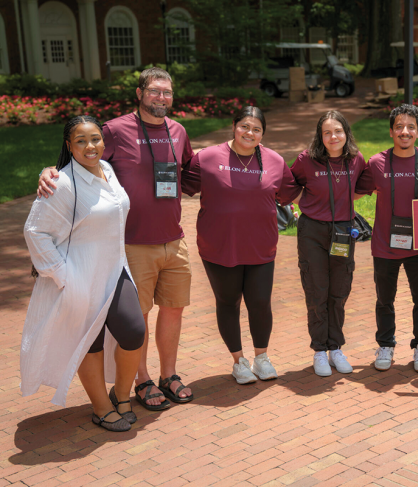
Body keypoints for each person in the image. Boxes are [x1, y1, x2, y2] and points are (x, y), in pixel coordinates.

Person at [38, 67, 195, 410]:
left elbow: (191, 173)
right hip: (131, 244)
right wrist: (48, 171)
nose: (161, 98)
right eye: (154, 91)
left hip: (174, 240)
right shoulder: (115, 129)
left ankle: (169, 375)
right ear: (139, 93)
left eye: (167, 92)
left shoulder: (178, 131)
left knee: (173, 310)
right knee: (136, 320)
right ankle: (143, 380)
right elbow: (82, 163)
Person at [22, 116, 145, 432]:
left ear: (104, 142)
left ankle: (122, 393)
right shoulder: (61, 183)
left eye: (95, 139)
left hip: (115, 269)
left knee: (133, 332)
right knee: (91, 342)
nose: (90, 146)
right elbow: (35, 231)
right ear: (69, 145)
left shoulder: (108, 170)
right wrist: (63, 276)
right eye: (81, 140)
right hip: (80, 276)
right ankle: (102, 407)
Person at [181, 107, 301, 384]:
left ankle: (261, 357)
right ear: (234, 126)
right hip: (218, 245)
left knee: (260, 302)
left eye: (256, 129)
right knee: (228, 302)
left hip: (261, 245)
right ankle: (239, 361)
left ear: (263, 134)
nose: (250, 133)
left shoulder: (274, 160)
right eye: (245, 126)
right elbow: (180, 183)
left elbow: (288, 192)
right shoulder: (208, 157)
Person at [356, 104, 418, 373]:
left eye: (411, 127)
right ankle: (386, 344)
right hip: (384, 245)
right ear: (391, 131)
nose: (405, 131)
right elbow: (355, 190)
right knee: (384, 299)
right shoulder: (377, 163)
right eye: (399, 127)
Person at [290, 111, 368, 377]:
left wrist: (344, 201)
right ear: (320, 136)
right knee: (316, 289)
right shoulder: (306, 160)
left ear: (346, 133)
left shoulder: (356, 160)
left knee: (339, 290)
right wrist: (309, 203)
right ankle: (320, 351)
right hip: (312, 231)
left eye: (338, 131)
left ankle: (336, 348)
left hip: (343, 231)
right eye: (327, 132)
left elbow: (363, 186)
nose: (333, 137)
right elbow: (289, 185)